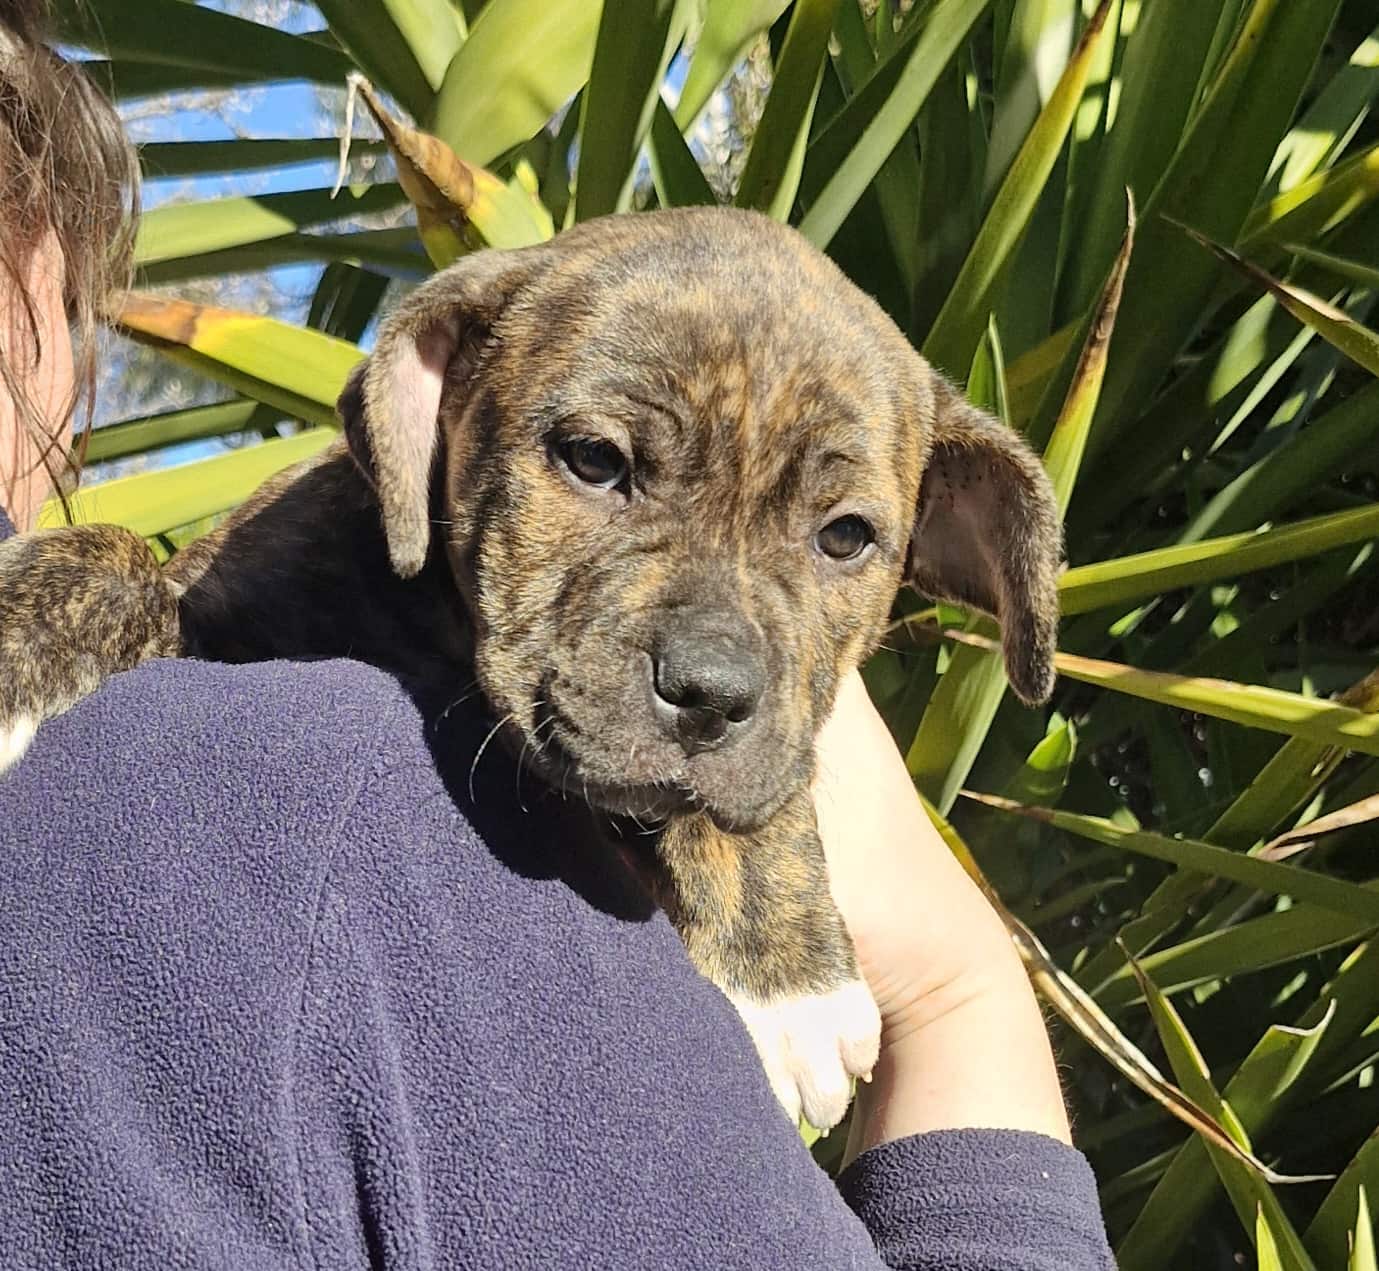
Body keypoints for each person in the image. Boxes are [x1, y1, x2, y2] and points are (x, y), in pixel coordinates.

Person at [0, 5, 1115, 1267]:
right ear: (438, 388)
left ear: (956, 530)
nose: (713, 656)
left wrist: (771, 866)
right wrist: (957, 986)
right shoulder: (331, 755)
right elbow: (189, 607)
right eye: (598, 461)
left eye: (841, 534)